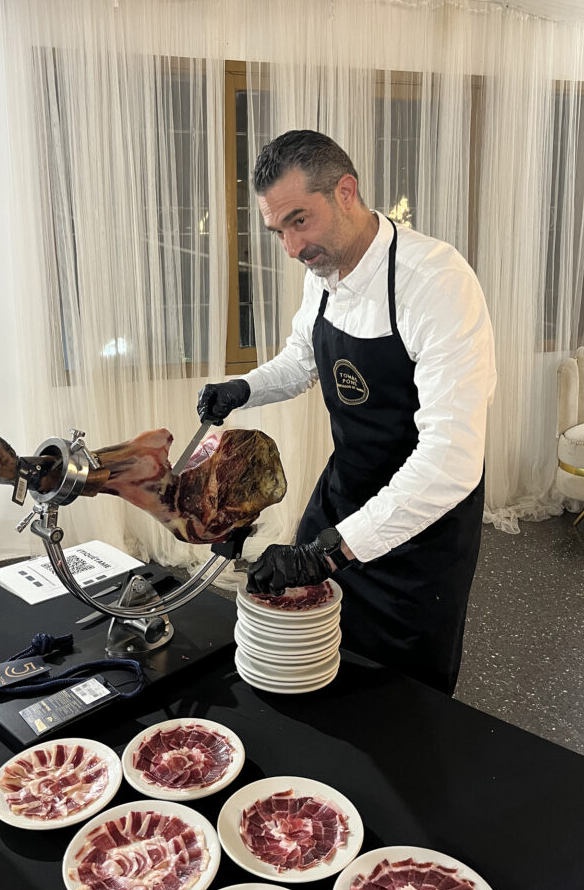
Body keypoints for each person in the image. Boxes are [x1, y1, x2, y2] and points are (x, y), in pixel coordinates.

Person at [197, 130, 496, 695]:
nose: (291, 248)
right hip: (343, 493)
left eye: (299, 221)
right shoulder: (324, 270)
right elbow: (302, 358)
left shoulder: (436, 283)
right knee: (304, 649)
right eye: (278, 231)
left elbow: (452, 460)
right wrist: (244, 388)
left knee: (401, 695)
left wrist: (330, 552)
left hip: (421, 524)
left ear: (346, 192)